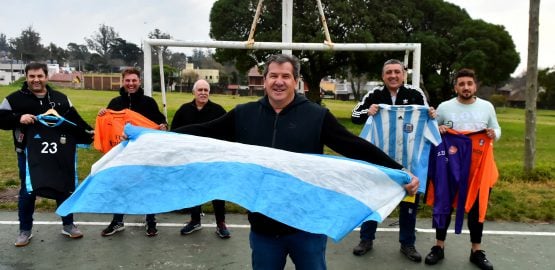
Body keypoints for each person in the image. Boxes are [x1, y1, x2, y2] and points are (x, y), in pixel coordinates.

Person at [174, 54, 420, 270]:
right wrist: (152, 135)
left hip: (307, 226)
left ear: (296, 81)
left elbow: (353, 145)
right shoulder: (243, 114)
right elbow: (203, 132)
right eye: (273, 76)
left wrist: (398, 170)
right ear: (265, 80)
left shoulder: (316, 115)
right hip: (264, 227)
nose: (278, 81)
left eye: (285, 76)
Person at [351, 59, 436, 262]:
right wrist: (367, 112)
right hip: (378, 162)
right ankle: (366, 239)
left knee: (409, 203)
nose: (393, 76)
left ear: (403, 74)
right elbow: (355, 115)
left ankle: (408, 244)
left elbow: (428, 117)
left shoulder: (416, 94)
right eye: (388, 72)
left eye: (397, 72)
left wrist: (432, 115)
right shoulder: (374, 95)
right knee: (373, 200)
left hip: (408, 162)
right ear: (383, 76)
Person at [0, 62, 94, 247]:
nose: (36, 80)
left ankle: (68, 224)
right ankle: (24, 230)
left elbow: (75, 121)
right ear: (26, 77)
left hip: (59, 153)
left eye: (39, 76)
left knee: (63, 186)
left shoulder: (60, 98)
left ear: (46, 77)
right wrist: (18, 118)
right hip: (28, 155)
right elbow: (0, 118)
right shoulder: (13, 99)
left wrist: (91, 132)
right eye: (32, 76)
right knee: (28, 191)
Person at [424, 68, 500, 270]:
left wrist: (493, 133)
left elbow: (497, 129)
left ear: (475, 86)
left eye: (469, 83)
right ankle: (438, 246)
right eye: (461, 84)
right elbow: (431, 130)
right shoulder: (445, 107)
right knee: (444, 206)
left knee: (477, 209)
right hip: (450, 168)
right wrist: (438, 129)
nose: (466, 87)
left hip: (478, 169)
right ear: (455, 86)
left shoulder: (487, 107)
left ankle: (477, 251)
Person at [99, 67, 168, 237]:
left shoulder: (149, 102)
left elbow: (161, 120)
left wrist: (163, 126)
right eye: (128, 80)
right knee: (121, 185)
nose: (131, 84)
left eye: (134, 80)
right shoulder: (115, 103)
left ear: (139, 81)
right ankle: (117, 221)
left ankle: (150, 220)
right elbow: (108, 124)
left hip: (144, 152)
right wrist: (103, 115)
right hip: (122, 152)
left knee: (147, 185)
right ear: (123, 81)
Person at [170, 79, 230, 239]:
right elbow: (174, 132)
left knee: (217, 191)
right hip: (191, 159)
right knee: (194, 189)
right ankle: (195, 220)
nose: (203, 93)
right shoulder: (184, 110)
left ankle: (221, 223)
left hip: (213, 159)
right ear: (194, 92)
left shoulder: (218, 110)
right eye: (200, 90)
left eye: (206, 90)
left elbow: (227, 132)